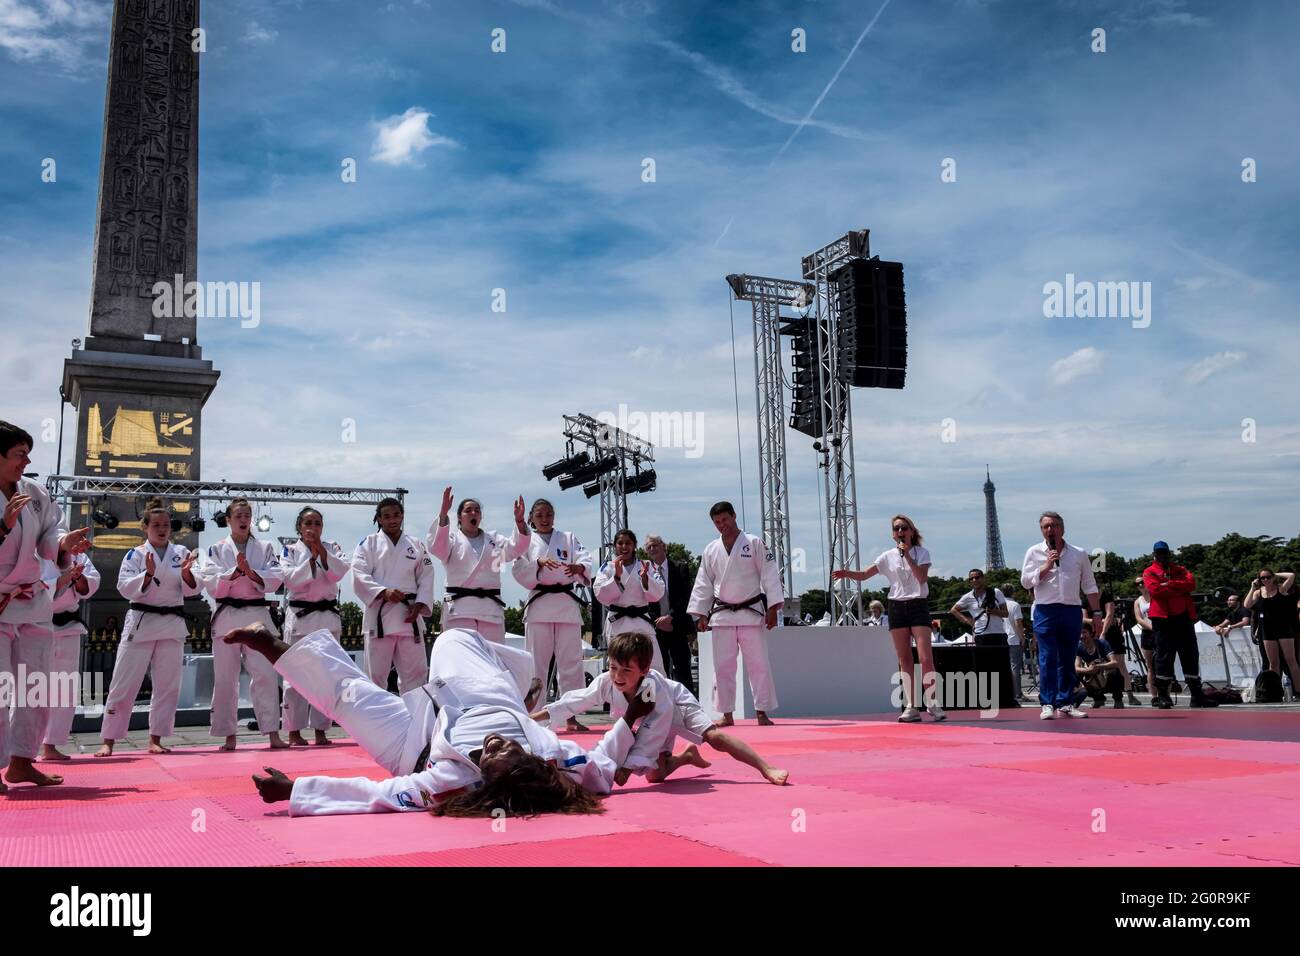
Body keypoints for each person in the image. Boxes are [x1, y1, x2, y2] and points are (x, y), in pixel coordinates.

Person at [228, 623, 655, 816]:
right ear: (530, 761)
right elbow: (603, 768)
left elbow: (379, 794)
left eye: (486, 758)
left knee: (348, 697)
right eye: (501, 749)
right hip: (486, 696)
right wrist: (632, 716)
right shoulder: (552, 757)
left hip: (414, 747)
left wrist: (297, 790)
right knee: (452, 635)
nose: (490, 746)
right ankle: (524, 678)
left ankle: (269, 644)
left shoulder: (449, 780)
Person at [534, 631, 788, 787]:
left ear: (644, 670)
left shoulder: (654, 688)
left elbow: (654, 727)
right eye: (613, 668)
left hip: (678, 705)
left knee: (714, 738)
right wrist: (533, 717)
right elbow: (573, 702)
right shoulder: (606, 682)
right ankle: (686, 757)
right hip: (651, 722)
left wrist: (627, 768)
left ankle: (765, 768)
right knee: (655, 777)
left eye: (626, 670)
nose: (618, 676)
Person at [0, 421, 93, 790]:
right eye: (19, 454)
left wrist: (63, 543)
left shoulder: (34, 492)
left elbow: (48, 535)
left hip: (33, 600)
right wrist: (3, 526)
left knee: (36, 685)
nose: (26, 460)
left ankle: (22, 761)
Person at [96, 500, 199, 757]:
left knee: (167, 685)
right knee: (124, 682)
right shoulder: (136, 554)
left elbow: (194, 588)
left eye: (166, 525)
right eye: (156, 525)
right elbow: (124, 586)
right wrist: (148, 575)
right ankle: (109, 739)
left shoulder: (181, 552)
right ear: (145, 527)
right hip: (142, 621)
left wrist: (187, 575)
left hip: (172, 622)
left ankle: (156, 738)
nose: (162, 529)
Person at [832, 514, 944, 722]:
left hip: (918, 605)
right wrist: (847, 573)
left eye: (904, 528)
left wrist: (908, 556)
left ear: (911, 531)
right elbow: (866, 574)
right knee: (904, 658)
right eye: (896, 529)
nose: (900, 532)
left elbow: (921, 578)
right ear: (893, 534)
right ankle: (911, 705)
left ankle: (933, 702)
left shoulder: (922, 553)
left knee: (925, 658)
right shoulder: (887, 556)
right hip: (896, 606)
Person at [197, 497, 288, 749]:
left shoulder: (266, 547)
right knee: (226, 678)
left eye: (247, 515)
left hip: (257, 616)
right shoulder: (216, 549)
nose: (244, 520)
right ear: (228, 520)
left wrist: (251, 573)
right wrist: (235, 573)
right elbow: (210, 582)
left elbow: (277, 577)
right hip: (228, 615)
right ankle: (229, 735)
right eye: (238, 516)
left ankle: (272, 733)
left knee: (266, 676)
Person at [687, 502, 784, 727]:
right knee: (723, 666)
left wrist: (772, 607)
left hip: (751, 612)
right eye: (717, 522)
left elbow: (769, 575)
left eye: (725, 520)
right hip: (722, 614)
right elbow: (704, 582)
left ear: (734, 516)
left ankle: (761, 711)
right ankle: (727, 714)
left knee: (758, 664)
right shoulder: (711, 549)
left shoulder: (754, 542)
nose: (723, 525)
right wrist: (701, 613)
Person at [511, 499, 593, 731]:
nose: (545, 518)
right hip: (540, 606)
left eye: (549, 514)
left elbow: (584, 558)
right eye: (540, 515)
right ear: (532, 519)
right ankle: (537, 715)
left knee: (571, 664)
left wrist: (580, 568)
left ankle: (571, 716)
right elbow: (518, 569)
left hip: (566, 605)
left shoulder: (567, 537)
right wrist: (537, 562)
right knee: (537, 665)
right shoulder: (527, 541)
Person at [1020, 511, 1103, 720]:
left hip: (1071, 608)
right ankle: (1047, 702)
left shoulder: (1079, 553)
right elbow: (1025, 582)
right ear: (1041, 530)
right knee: (1047, 657)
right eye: (1047, 526)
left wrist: (1097, 613)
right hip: (1045, 609)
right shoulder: (1033, 552)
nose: (1051, 530)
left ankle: (1066, 701)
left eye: (1055, 525)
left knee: (1067, 657)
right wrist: (1046, 566)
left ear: (1063, 528)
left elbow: (1089, 585)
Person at [279, 507, 349, 746]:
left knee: (328, 678)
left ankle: (321, 729)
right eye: (308, 523)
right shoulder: (289, 550)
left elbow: (339, 573)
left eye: (318, 523)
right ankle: (293, 730)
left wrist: (322, 554)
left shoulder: (333, 547)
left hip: (327, 619)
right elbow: (290, 580)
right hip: (300, 618)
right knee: (295, 678)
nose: (313, 527)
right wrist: (311, 559)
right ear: (299, 526)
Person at [351, 496, 434, 694]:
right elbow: (358, 573)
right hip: (379, 617)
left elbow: (427, 575)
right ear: (379, 519)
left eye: (396, 515)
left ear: (402, 516)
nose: (392, 520)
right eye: (387, 516)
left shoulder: (416, 544)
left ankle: (415, 721)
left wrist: (420, 604)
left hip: (409, 615)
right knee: (375, 677)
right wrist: (382, 592)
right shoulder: (368, 544)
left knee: (416, 675)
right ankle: (375, 722)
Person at [429, 488, 529, 643]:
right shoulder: (452, 540)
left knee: (493, 659)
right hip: (459, 611)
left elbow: (516, 548)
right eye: (468, 511)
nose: (473, 513)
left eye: (477, 510)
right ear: (459, 518)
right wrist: (443, 513)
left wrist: (520, 522)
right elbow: (437, 548)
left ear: (481, 516)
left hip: (490, 611)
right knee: (461, 660)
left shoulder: (494, 540)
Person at [40, 550, 101, 760]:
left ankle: (50, 745)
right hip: (35, 624)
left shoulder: (78, 555)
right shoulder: (31, 548)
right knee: (28, 688)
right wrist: (63, 578)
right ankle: (21, 749)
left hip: (68, 626)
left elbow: (89, 588)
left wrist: (78, 576)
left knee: (64, 689)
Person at [1142, 541, 1217, 709]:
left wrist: (1168, 584)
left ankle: (1197, 696)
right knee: (1164, 657)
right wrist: (1178, 588)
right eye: (1159, 553)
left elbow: (1191, 584)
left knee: (1190, 654)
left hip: (1182, 618)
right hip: (1162, 619)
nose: (1162, 556)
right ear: (1154, 554)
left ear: (1168, 553)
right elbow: (1155, 591)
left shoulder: (1180, 570)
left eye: (1164, 552)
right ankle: (1163, 695)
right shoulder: (1149, 571)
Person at [594, 529, 666, 675]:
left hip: (642, 621)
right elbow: (600, 594)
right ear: (614, 546)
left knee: (652, 665)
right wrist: (616, 578)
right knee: (619, 665)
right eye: (620, 543)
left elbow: (658, 593)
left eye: (628, 543)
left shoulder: (647, 565)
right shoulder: (607, 567)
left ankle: (653, 697)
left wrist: (645, 579)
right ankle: (619, 697)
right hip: (617, 622)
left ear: (634, 546)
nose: (624, 546)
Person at [645, 534, 696, 692]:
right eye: (649, 547)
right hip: (657, 628)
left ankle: (688, 707)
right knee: (659, 670)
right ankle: (663, 706)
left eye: (655, 545)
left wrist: (670, 617)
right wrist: (658, 621)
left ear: (663, 547)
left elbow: (686, 596)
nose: (652, 549)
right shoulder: (645, 572)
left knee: (683, 669)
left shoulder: (680, 567)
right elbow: (645, 600)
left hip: (678, 626)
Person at [1244, 569, 1298, 698]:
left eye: (1268, 577)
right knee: (1273, 662)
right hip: (1267, 630)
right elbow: (1247, 604)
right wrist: (1252, 587)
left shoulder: (1281, 589)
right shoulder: (1258, 592)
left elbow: (1291, 576)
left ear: (1273, 578)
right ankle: (1275, 692)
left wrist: (1276, 575)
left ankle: (1299, 690)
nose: (1265, 580)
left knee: (1291, 660)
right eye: (1262, 578)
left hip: (1284, 628)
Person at [1098, 586, 1141, 706]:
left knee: (1120, 666)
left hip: (1112, 634)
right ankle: (1099, 696)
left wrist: (1103, 627)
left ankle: (1130, 695)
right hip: (1096, 632)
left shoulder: (1107, 597)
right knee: (1098, 665)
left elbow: (1110, 616)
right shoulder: (1086, 598)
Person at [949, 570, 1008, 645]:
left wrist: (994, 611)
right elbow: (953, 610)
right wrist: (968, 621)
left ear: (983, 578)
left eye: (977, 577)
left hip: (999, 633)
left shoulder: (995, 592)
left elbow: (1006, 613)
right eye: (971, 578)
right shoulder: (968, 597)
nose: (974, 580)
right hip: (981, 635)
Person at [1076, 624, 1124, 708]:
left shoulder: (1102, 643)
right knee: (1077, 675)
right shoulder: (1079, 647)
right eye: (1079, 633)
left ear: (1091, 633)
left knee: (1115, 672)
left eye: (1084, 632)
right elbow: (1076, 667)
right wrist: (1087, 670)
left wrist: (1099, 666)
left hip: (1105, 675)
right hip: (1092, 677)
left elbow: (1114, 662)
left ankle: (1118, 699)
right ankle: (1098, 699)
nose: (1081, 636)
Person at [1002, 585, 1028, 701]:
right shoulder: (1015, 605)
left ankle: (1007, 692)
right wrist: (1022, 638)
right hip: (1013, 638)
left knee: (1005, 667)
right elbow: (1018, 623)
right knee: (1015, 667)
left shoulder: (999, 605)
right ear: (1013, 593)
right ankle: (1017, 693)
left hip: (1002, 638)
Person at [1132, 579, 1156, 702]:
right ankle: (1154, 696)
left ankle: (1165, 694)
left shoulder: (1155, 597)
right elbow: (1139, 618)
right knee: (1150, 666)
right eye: (1137, 584)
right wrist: (1152, 628)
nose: (1140, 585)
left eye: (1142, 582)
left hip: (1160, 631)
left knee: (1164, 665)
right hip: (1147, 633)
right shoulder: (1138, 601)